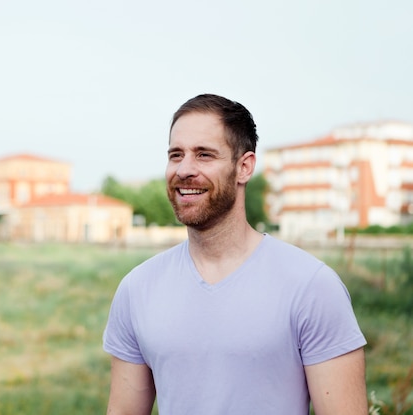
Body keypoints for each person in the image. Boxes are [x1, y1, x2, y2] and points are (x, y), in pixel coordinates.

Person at [103, 93, 367, 414]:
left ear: (244, 167)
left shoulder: (311, 286)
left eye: (204, 155)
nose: (185, 169)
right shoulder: (137, 289)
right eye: (176, 154)